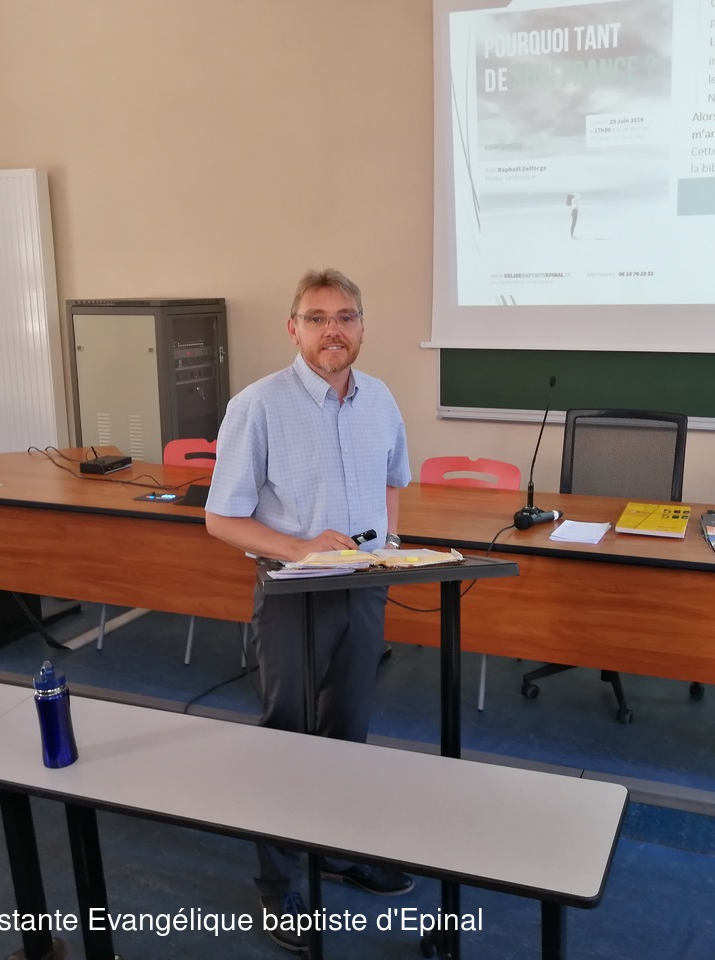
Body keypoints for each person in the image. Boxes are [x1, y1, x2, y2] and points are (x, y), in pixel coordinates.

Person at [204, 267, 413, 953]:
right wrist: (299, 547)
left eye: (346, 317)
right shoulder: (258, 406)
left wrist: (388, 548)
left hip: (363, 587)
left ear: (362, 327)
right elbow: (221, 518)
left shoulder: (380, 399)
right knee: (287, 733)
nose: (333, 330)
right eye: (318, 318)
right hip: (293, 591)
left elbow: (392, 484)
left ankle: (336, 850)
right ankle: (277, 882)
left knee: (348, 727)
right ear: (293, 329)